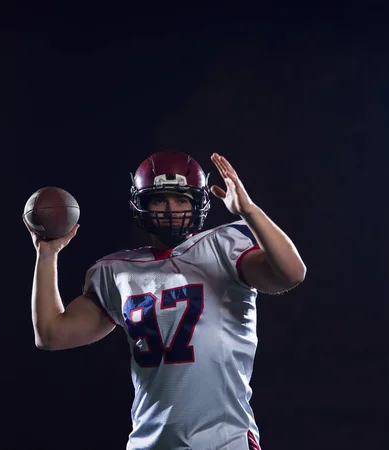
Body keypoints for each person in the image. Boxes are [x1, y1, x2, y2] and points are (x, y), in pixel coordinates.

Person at [26, 151, 306, 450]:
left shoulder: (223, 247)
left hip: (224, 441)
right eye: (159, 200)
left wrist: (249, 211)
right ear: (141, 205)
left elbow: (291, 273)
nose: (171, 209)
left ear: (198, 203)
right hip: (149, 443)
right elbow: (51, 335)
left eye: (181, 199)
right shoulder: (118, 271)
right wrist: (47, 254)